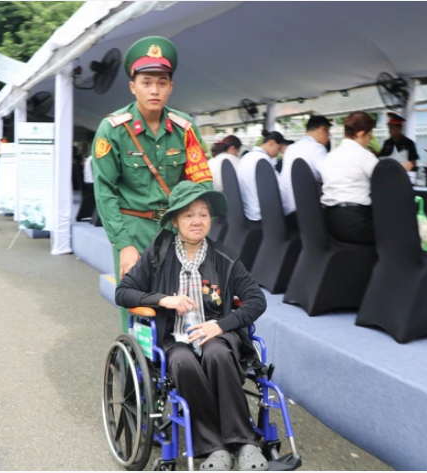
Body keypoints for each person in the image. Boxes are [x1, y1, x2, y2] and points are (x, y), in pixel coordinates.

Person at [115, 181, 269, 471]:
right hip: (175, 340)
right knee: (183, 362)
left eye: (203, 214)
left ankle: (245, 441)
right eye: (188, 215)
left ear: (211, 219)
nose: (197, 221)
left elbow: (256, 301)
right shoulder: (157, 255)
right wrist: (163, 300)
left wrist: (221, 325)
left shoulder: (225, 258)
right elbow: (122, 292)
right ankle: (214, 447)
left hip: (217, 337)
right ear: (175, 220)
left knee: (217, 354)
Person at [91, 35, 213, 333]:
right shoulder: (113, 129)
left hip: (175, 228)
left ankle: (175, 366)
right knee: (138, 302)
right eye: (147, 82)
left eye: (162, 82)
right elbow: (104, 190)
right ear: (133, 86)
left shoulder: (185, 127)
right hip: (133, 228)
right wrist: (123, 245)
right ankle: (135, 366)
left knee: (183, 298)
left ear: (171, 87)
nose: (154, 89)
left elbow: (202, 182)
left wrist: (195, 228)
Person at [319, 111, 412, 245]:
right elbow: (386, 179)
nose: (370, 139)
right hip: (355, 222)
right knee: (396, 232)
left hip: (330, 221)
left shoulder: (329, 156)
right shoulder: (363, 155)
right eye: (369, 134)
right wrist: (401, 169)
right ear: (360, 134)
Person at [279, 115, 332, 224]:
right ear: (322, 130)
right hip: (304, 215)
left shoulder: (291, 148)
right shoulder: (317, 148)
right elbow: (330, 177)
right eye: (329, 134)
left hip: (286, 210)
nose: (328, 138)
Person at [236, 130, 291, 222]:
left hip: (247, 212)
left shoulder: (246, 158)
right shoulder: (263, 160)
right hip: (261, 215)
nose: (278, 153)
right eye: (278, 149)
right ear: (272, 143)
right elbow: (279, 188)